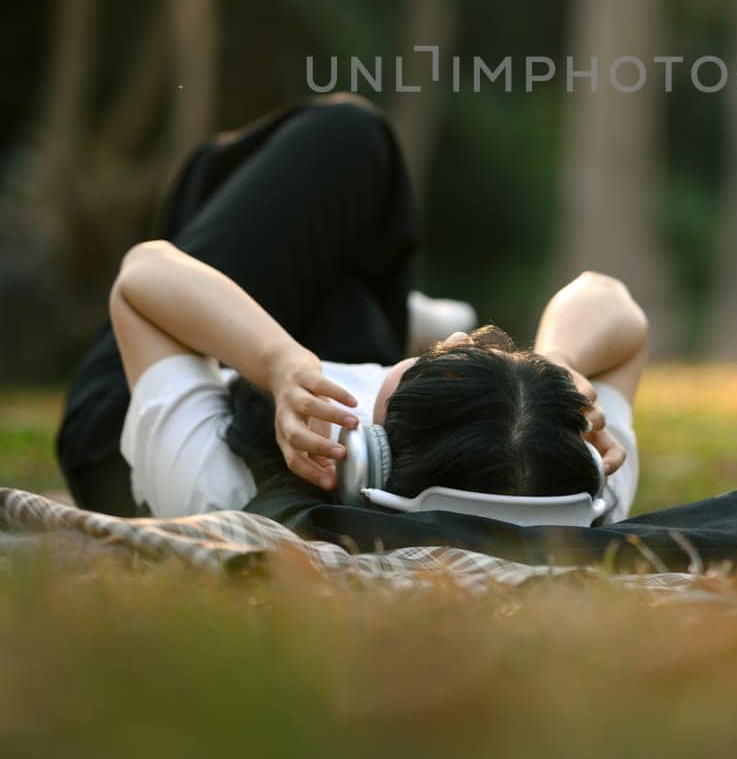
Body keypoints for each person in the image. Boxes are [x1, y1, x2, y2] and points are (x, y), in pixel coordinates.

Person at [56, 95, 648, 525]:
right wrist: (558, 367)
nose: (469, 335)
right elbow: (609, 301)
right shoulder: (578, 493)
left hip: (152, 399)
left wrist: (279, 363)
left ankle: (385, 316)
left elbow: (145, 273)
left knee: (345, 140)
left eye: (440, 359)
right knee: (350, 303)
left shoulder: (221, 486)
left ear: (368, 458)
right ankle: (388, 319)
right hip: (339, 360)